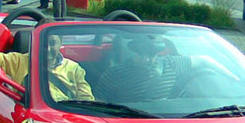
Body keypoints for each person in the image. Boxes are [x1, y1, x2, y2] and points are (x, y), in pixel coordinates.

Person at [95, 35, 237, 102]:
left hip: (170, 118)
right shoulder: (114, 74)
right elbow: (99, 101)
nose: (147, 60)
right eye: (141, 55)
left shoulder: (171, 64)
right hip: (127, 122)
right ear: (133, 52)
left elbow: (205, 60)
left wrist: (234, 78)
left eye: (151, 55)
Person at [0, 34, 94, 101]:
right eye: (43, 43)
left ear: (61, 43)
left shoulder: (74, 68)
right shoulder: (19, 61)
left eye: (53, 43)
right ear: (34, 43)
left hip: (66, 120)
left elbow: (87, 101)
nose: (48, 49)